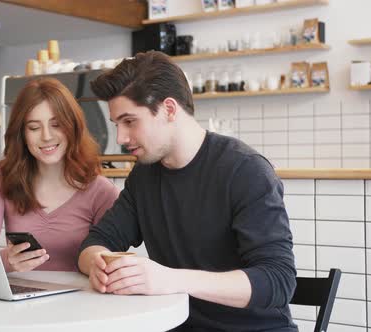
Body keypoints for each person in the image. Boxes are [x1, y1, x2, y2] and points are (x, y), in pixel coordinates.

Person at [78, 51, 297, 331]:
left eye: (130, 121)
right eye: (117, 125)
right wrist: (98, 264)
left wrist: (168, 279)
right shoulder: (144, 176)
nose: (121, 138)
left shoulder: (245, 170)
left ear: (169, 109)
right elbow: (96, 241)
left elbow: (277, 281)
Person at [0, 77, 119, 272]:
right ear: (21, 133)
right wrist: (6, 260)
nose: (46, 136)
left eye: (56, 124)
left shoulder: (102, 191)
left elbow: (109, 264)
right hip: (21, 299)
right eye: (34, 127)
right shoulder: (1, 177)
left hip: (82, 300)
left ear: (73, 127)